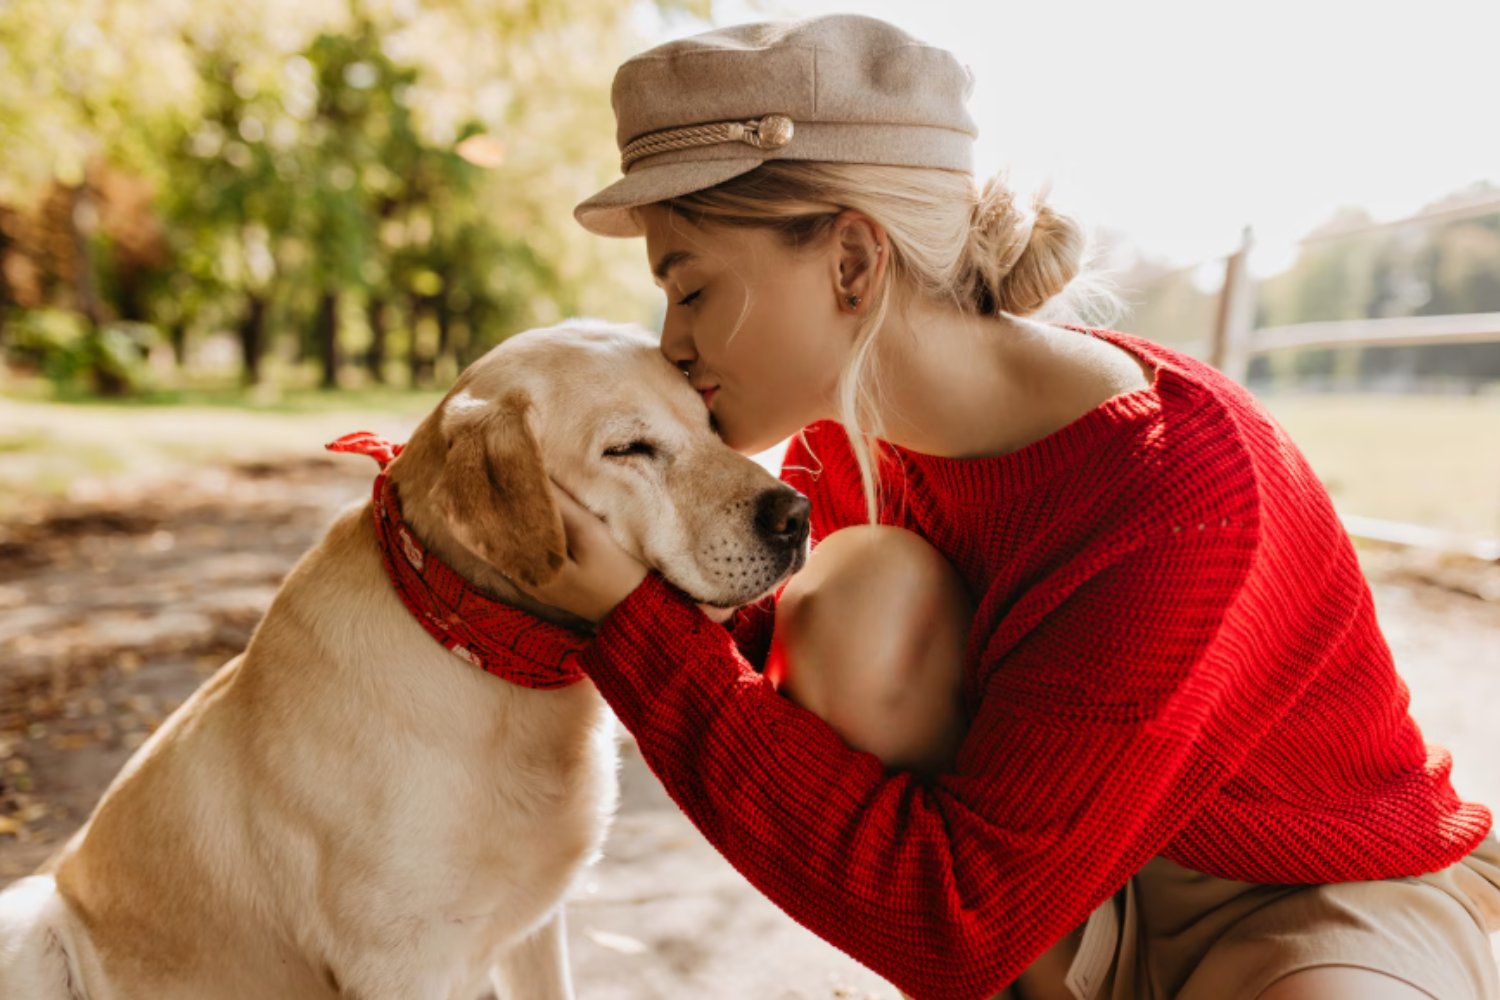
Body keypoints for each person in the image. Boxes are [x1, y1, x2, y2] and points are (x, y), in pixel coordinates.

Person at [515, 14, 1500, 1000]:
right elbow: (741, 681)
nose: (671, 343)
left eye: (688, 291)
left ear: (852, 263)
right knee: (860, 591)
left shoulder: (1182, 486)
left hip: (1305, 894)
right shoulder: (846, 447)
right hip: (1064, 910)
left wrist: (627, 624)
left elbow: (959, 923)